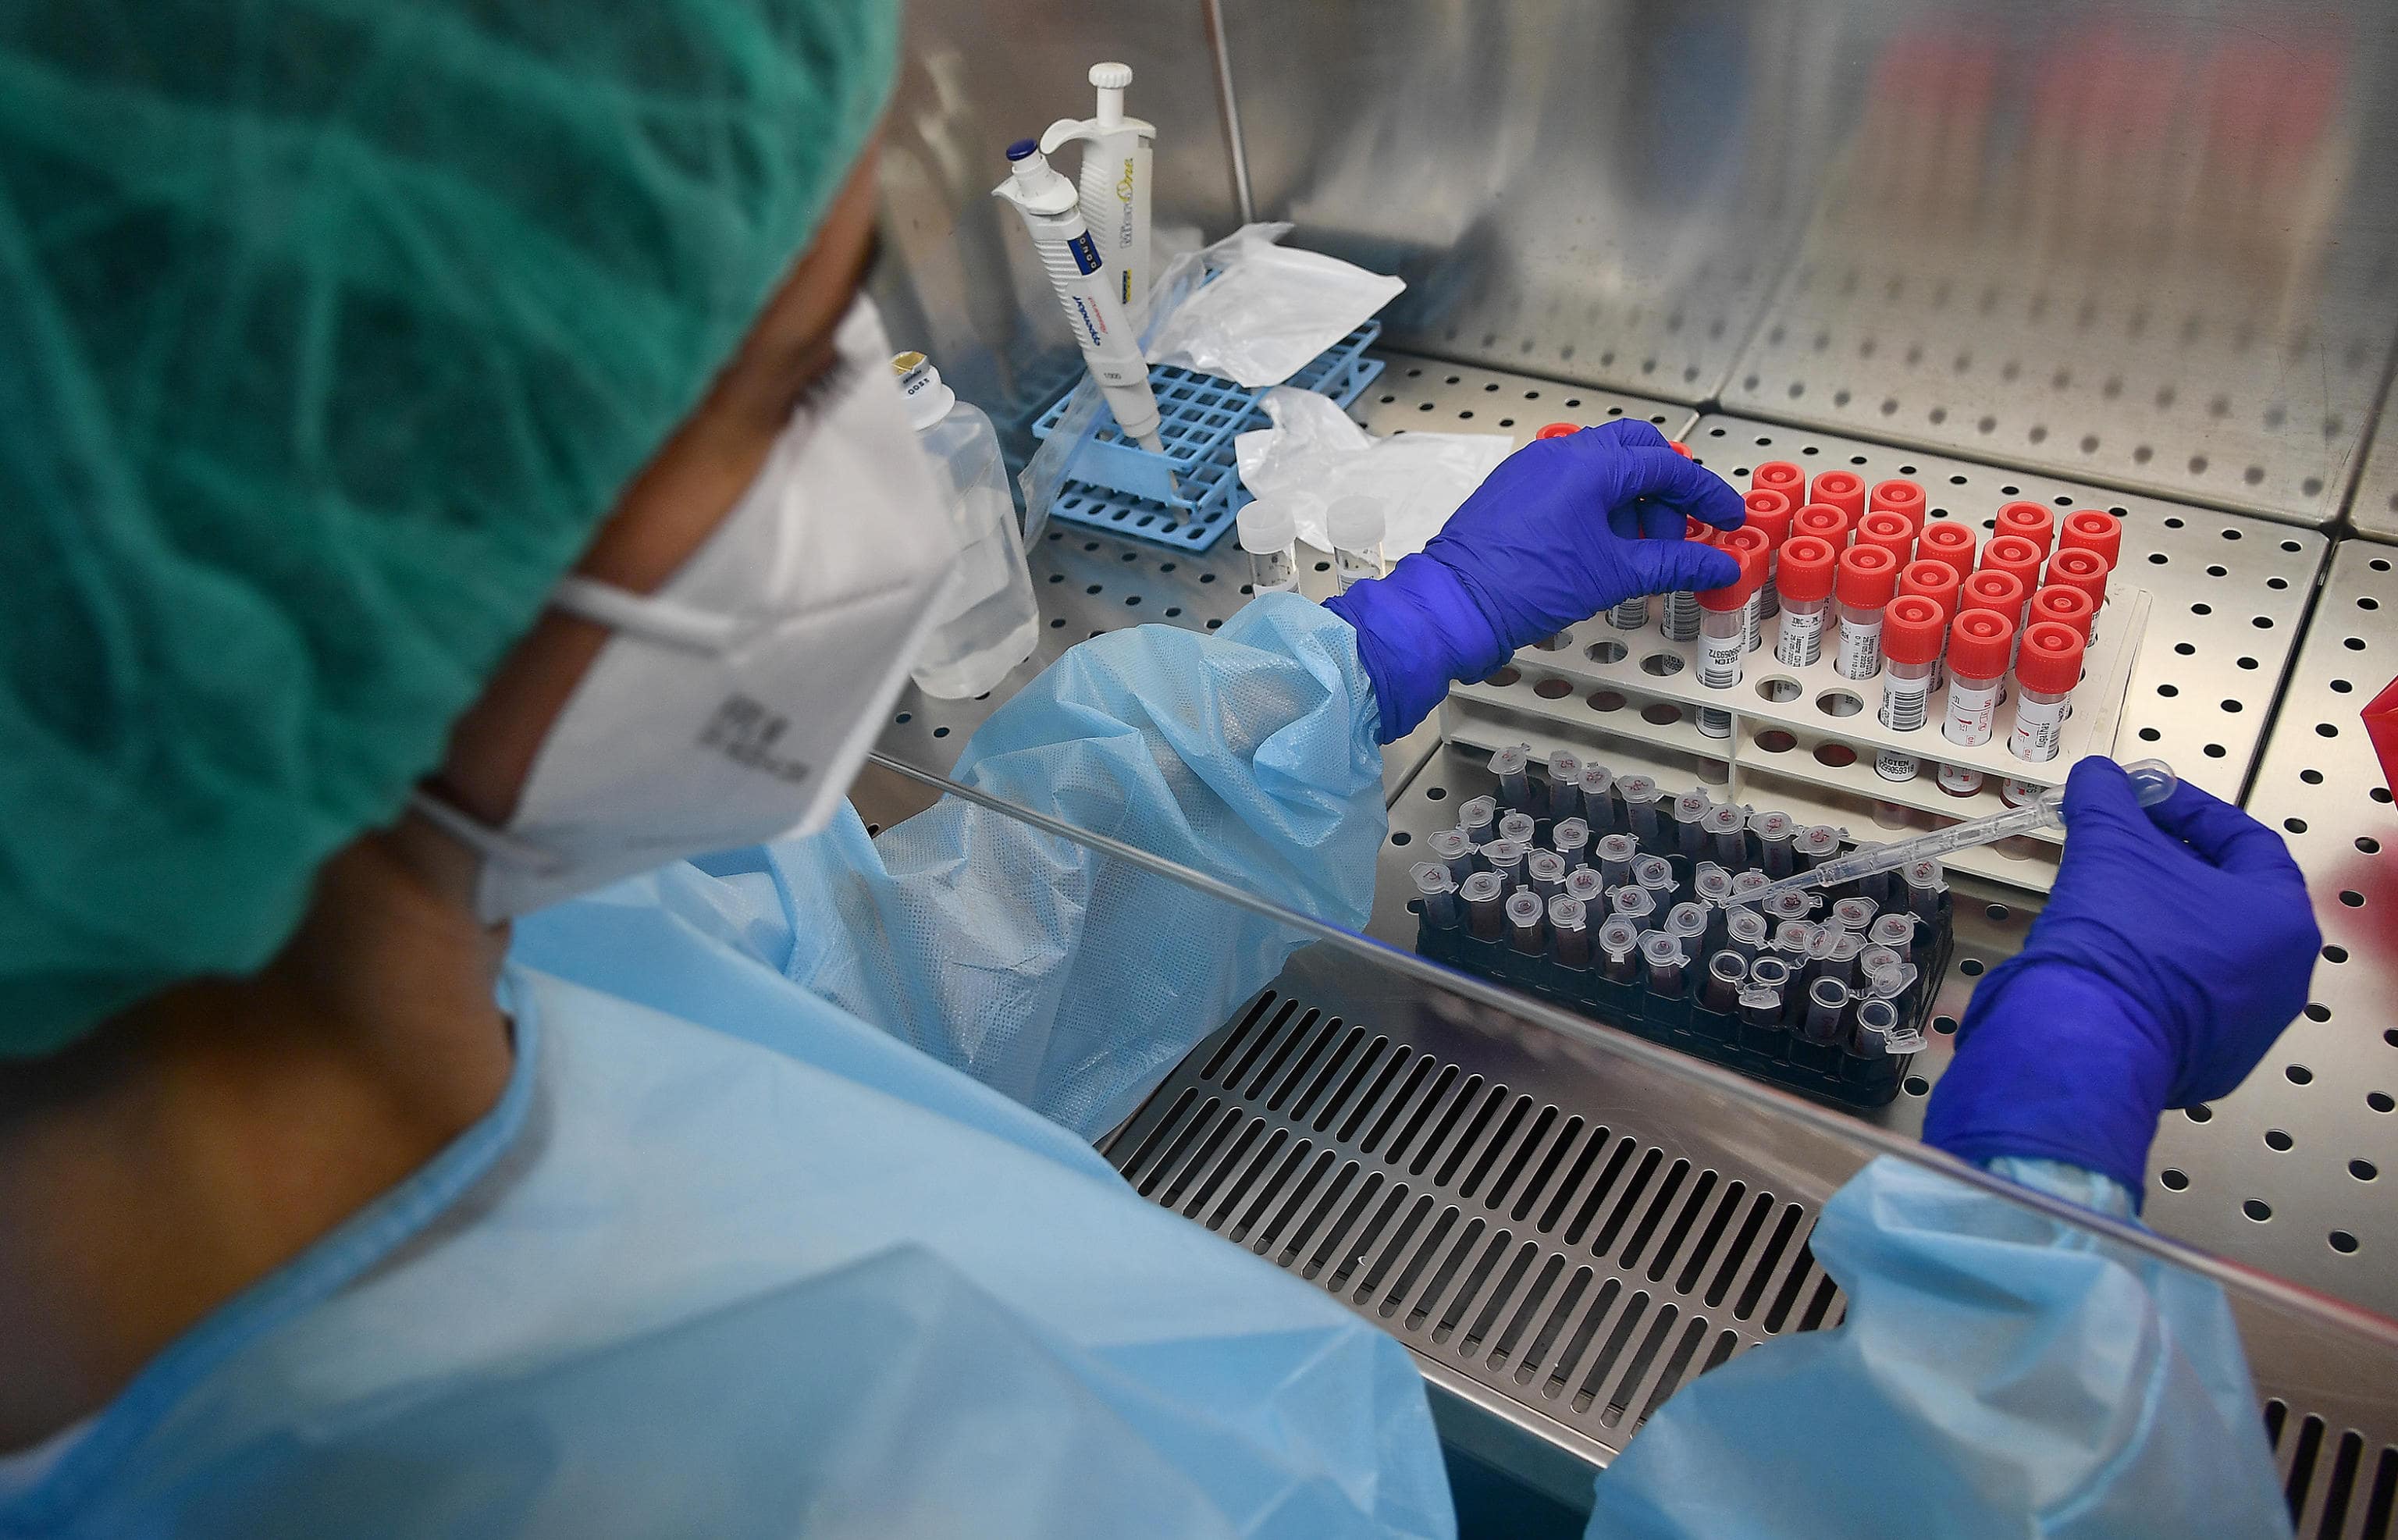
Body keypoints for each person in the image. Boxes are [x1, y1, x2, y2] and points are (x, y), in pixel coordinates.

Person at [0, 2, 2318, 1535]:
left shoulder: (423, 961)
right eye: (800, 371)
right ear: (359, 533)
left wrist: (1375, 649)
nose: (874, 459)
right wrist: (2050, 1310)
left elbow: (884, 970)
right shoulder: (744, 1475)